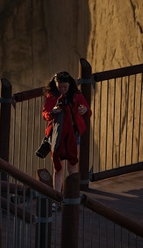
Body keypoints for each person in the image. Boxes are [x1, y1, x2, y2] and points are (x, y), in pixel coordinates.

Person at [42, 71, 91, 204]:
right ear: (55, 85)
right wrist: (53, 112)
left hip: (73, 133)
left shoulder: (76, 95)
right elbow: (45, 114)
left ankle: (72, 196)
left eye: (65, 87)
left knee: (72, 165)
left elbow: (88, 110)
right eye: (60, 87)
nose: (62, 89)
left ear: (70, 84)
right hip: (56, 134)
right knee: (58, 168)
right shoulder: (52, 96)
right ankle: (57, 197)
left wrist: (84, 110)